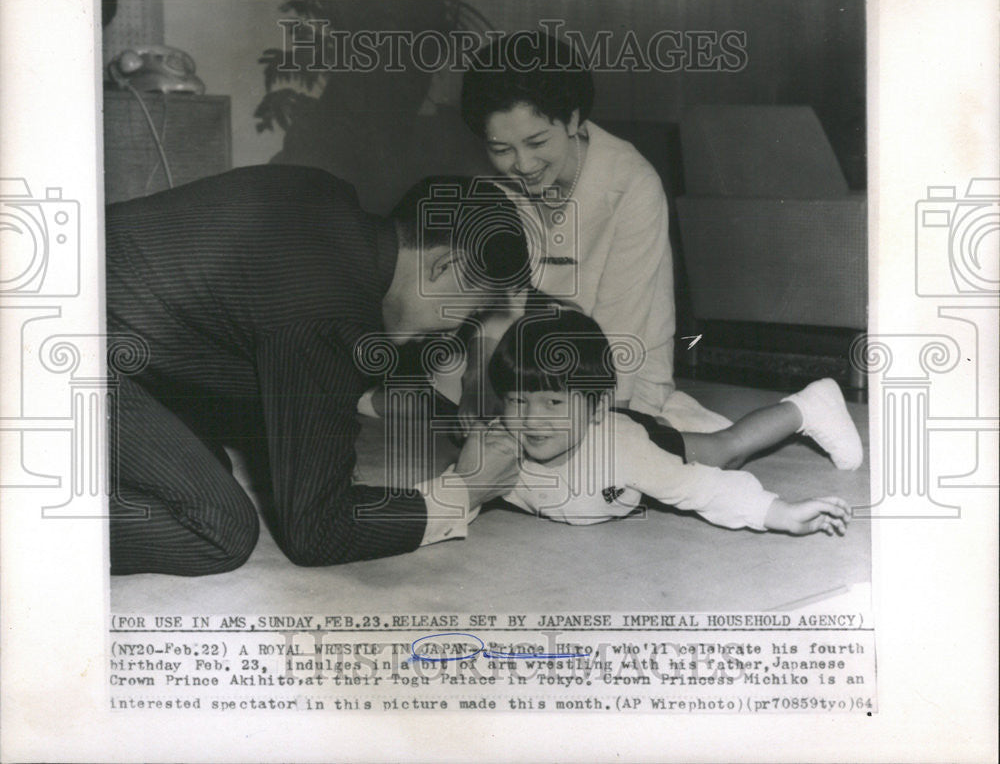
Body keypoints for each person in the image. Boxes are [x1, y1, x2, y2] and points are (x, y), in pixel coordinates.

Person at [106, 166, 526, 575]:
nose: (455, 328)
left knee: (204, 463)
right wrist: (465, 490)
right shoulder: (327, 312)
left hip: (79, 299)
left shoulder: (326, 196)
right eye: (472, 308)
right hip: (65, 352)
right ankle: (41, 530)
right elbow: (317, 530)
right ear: (446, 266)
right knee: (218, 525)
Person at [459, 31, 726, 432]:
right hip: (526, 368)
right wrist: (477, 391)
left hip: (619, 367)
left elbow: (621, 332)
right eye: (501, 150)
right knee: (446, 400)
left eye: (536, 142)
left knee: (607, 459)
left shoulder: (630, 182)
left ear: (571, 118)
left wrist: (601, 424)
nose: (523, 164)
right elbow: (498, 309)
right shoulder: (495, 188)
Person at [482, 304, 861, 533]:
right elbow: (449, 495)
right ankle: (674, 412)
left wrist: (782, 515)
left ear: (596, 409)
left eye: (551, 403)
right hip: (610, 430)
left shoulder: (625, 452)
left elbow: (703, 489)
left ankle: (808, 405)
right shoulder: (495, 448)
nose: (531, 419)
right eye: (517, 400)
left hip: (636, 437)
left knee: (727, 452)